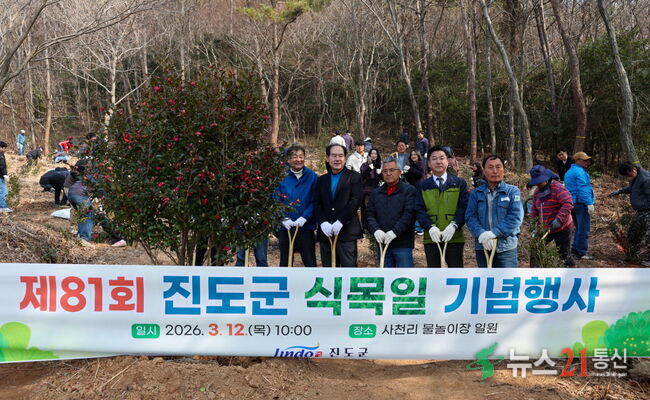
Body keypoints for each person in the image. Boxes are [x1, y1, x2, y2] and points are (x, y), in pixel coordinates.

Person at [465, 155, 524, 268]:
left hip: (506, 248)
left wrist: (494, 233)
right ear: (484, 170)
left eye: (498, 167)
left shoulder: (512, 191)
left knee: (507, 279)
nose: (495, 171)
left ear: (504, 170)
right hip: (483, 246)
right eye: (490, 167)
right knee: (486, 279)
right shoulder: (476, 193)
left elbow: (516, 217)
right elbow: (470, 217)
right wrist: (481, 233)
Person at [416, 146, 469, 267]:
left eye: (441, 158)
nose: (438, 161)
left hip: (454, 238)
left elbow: (464, 207)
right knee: (434, 274)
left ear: (447, 161)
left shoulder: (459, 183)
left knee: (455, 273)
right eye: (434, 158)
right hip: (431, 238)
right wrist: (430, 227)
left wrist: (454, 225)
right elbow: (419, 209)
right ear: (429, 163)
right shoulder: (422, 185)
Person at [313, 144, 363, 267]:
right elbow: (317, 203)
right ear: (327, 158)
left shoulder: (354, 177)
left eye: (340, 156)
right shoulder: (321, 180)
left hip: (347, 232)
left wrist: (340, 221)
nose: (337, 159)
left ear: (345, 158)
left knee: (348, 270)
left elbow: (355, 201)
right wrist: (323, 222)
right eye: (334, 155)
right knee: (329, 271)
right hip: (326, 234)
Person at [366, 157, 417, 267]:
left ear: (399, 172)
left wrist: (394, 232)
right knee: (385, 276)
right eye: (385, 171)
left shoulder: (409, 191)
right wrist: (376, 230)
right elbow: (370, 215)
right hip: (383, 243)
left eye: (392, 170)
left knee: (404, 276)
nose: (388, 173)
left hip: (402, 244)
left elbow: (409, 215)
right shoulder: (376, 193)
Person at [277, 144, 318, 267]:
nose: (298, 160)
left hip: (306, 227)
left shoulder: (312, 177)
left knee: (310, 262)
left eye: (301, 156)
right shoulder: (281, 177)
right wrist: (283, 218)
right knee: (285, 262)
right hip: (286, 227)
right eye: (294, 157)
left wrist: (305, 217)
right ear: (288, 159)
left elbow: (315, 200)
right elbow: (275, 200)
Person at [528, 165, 576, 267]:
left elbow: (568, 203)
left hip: (562, 227)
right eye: (536, 182)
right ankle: (537, 271)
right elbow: (534, 209)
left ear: (546, 178)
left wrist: (558, 220)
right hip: (545, 227)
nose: (538, 184)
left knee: (563, 254)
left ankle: (572, 271)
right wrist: (532, 222)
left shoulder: (557, 188)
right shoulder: (537, 192)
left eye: (540, 181)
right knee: (536, 249)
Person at [609, 162, 650, 266]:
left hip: (648, 211)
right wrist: (620, 191)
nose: (628, 177)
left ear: (632, 170)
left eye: (628, 175)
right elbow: (632, 188)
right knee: (633, 233)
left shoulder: (646, 179)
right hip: (641, 211)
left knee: (649, 235)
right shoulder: (635, 177)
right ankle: (632, 256)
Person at [564, 152, 595, 260]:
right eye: (584, 160)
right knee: (583, 229)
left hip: (573, 203)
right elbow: (583, 188)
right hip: (581, 203)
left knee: (579, 228)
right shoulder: (579, 172)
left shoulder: (570, 171)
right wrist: (589, 203)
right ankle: (579, 252)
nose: (587, 162)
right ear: (577, 160)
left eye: (587, 160)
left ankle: (575, 250)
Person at [360, 148, 382, 231]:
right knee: (366, 210)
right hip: (366, 192)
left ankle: (374, 227)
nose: (374, 155)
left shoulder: (379, 165)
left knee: (375, 210)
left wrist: (381, 173)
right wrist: (369, 168)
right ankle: (365, 227)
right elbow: (362, 176)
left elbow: (383, 179)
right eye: (372, 153)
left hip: (376, 192)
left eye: (375, 154)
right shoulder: (364, 165)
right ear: (369, 155)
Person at [0, 141, 11, 213]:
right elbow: (2, 166)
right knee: (3, 191)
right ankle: (3, 207)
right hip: (0, 176)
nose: (5, 150)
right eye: (4, 148)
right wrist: (4, 175)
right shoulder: (0, 155)